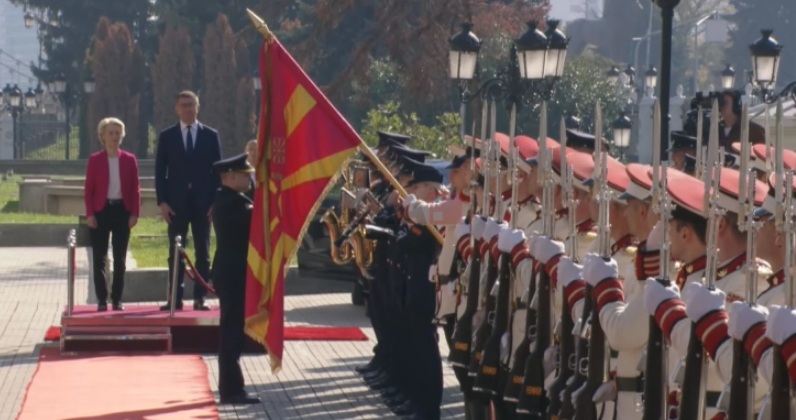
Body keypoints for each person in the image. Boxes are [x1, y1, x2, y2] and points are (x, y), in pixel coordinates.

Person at [155, 90, 222, 311]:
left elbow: (218, 173)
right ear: (176, 108)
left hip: (204, 205)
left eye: (191, 105)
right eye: (183, 105)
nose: (188, 109)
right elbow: (160, 172)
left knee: (203, 252)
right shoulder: (167, 136)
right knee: (176, 252)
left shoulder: (210, 135)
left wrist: (215, 203)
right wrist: (162, 202)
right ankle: (175, 298)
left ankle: (200, 297)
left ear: (198, 107)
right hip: (176, 205)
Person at [210, 153, 260, 405]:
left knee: (232, 330)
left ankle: (232, 386)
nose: (250, 178)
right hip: (232, 274)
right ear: (229, 177)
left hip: (230, 272)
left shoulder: (229, 199)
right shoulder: (233, 204)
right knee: (231, 332)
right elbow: (258, 217)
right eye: (245, 175)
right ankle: (231, 390)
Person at [84, 117, 140, 312]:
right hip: (101, 211)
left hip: (121, 212)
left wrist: (134, 213)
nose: (114, 137)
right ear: (102, 136)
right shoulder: (95, 160)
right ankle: (101, 299)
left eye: (118, 133)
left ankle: (117, 299)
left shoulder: (129, 160)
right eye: (111, 133)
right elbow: (88, 190)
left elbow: (135, 189)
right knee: (99, 257)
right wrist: (90, 214)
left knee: (120, 258)